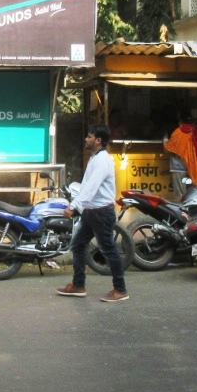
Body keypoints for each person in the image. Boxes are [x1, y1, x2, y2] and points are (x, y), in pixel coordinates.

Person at [56, 124, 130, 302]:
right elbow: (86, 187)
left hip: (101, 213)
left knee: (109, 250)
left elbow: (90, 188)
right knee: (78, 245)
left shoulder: (102, 161)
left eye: (89, 136)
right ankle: (78, 285)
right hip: (91, 212)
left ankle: (120, 290)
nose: (86, 139)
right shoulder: (95, 158)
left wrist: (73, 207)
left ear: (98, 140)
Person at [164, 111, 197, 199]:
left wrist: (165, 139)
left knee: (180, 196)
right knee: (192, 195)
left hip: (178, 169)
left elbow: (167, 149)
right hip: (193, 170)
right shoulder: (196, 132)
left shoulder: (178, 133)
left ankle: (180, 212)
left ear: (180, 122)